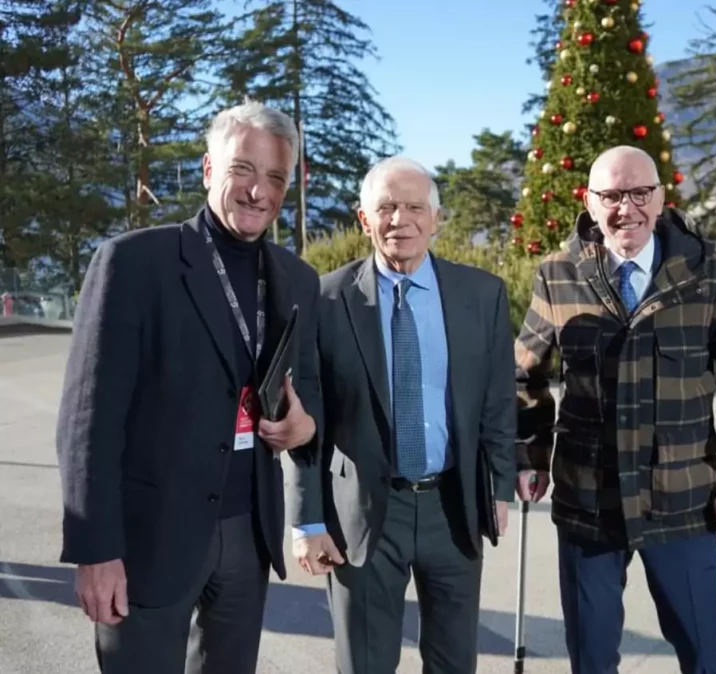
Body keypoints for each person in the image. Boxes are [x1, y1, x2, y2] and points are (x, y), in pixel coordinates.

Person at [55, 100, 323, 674]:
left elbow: (307, 394)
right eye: (242, 170)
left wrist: (304, 427)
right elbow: (88, 421)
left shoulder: (297, 278)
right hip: (148, 540)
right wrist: (95, 549)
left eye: (274, 177)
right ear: (208, 170)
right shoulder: (133, 263)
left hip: (248, 534)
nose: (258, 191)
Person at [514, 145, 716, 674]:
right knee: (592, 659)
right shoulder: (559, 272)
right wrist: (530, 457)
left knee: (707, 657)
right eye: (610, 195)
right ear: (589, 200)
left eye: (639, 194)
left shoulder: (706, 271)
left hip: (683, 502)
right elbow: (524, 377)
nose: (625, 208)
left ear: (660, 197)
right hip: (589, 504)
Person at [286, 156, 517, 673]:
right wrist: (306, 518)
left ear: (436, 219)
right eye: (386, 207)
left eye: (415, 207)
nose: (400, 220)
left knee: (454, 662)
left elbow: (498, 401)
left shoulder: (482, 295)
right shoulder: (325, 300)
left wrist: (499, 487)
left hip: (453, 508)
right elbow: (306, 418)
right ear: (364, 220)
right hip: (362, 514)